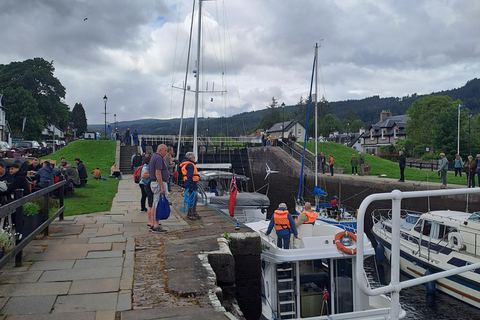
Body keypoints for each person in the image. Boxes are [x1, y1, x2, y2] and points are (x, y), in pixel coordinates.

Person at [148, 144, 169, 233]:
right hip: (158, 183)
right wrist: (162, 186)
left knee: (154, 203)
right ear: (160, 150)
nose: (166, 152)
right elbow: (158, 173)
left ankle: (153, 223)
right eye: (165, 150)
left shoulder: (154, 157)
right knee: (157, 204)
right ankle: (156, 225)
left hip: (153, 182)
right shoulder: (159, 158)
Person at [180, 152, 201, 220]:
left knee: (194, 198)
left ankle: (193, 213)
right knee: (192, 199)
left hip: (189, 184)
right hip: (191, 184)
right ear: (191, 158)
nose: (194, 158)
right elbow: (189, 176)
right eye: (194, 157)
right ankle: (190, 214)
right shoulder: (190, 165)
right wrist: (190, 186)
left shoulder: (186, 164)